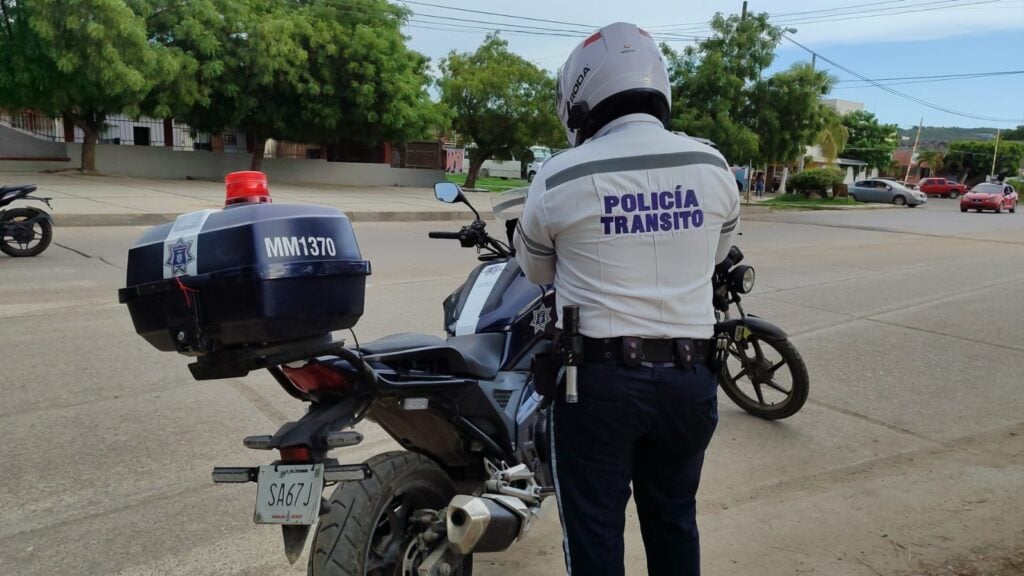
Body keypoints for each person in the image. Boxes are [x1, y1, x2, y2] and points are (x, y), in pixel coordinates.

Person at [514, 22, 740, 576]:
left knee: (594, 533)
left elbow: (535, 267)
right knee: (673, 521)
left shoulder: (560, 174)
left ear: (580, 95)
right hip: (691, 382)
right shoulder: (713, 166)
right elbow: (716, 253)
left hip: (598, 387)